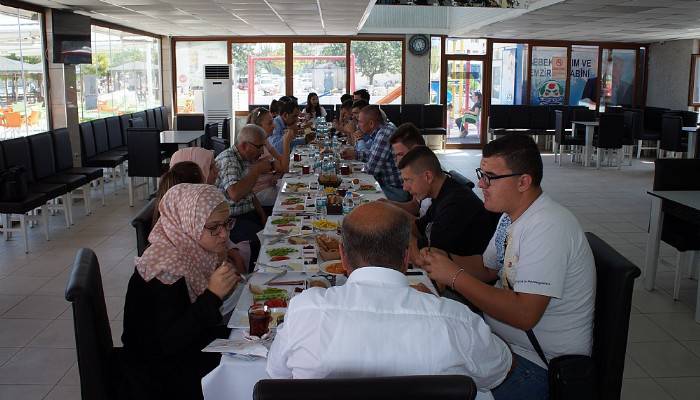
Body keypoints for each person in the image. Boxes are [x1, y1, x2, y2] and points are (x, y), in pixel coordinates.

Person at [266, 202, 512, 399]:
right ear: (406, 258)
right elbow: (499, 370)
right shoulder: (456, 320)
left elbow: (277, 373)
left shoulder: (305, 310)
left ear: (342, 256)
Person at [419, 134, 596, 400]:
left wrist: (454, 276)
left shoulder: (548, 226)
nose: (480, 183)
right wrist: (439, 257)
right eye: (482, 173)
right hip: (502, 344)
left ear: (523, 181)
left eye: (490, 177)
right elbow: (486, 268)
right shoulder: (510, 216)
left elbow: (524, 313)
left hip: (538, 365)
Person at [121, 184, 242, 400]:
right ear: (188, 223)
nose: (224, 234)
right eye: (214, 227)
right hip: (159, 374)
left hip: (181, 350)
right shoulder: (167, 269)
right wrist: (213, 295)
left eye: (227, 224)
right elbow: (171, 340)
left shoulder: (187, 248)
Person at [398, 145, 495, 261]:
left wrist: (397, 229)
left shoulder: (456, 204)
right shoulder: (441, 192)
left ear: (428, 176)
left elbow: (427, 257)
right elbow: (418, 228)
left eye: (408, 180)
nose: (404, 187)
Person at [215, 124, 274, 271]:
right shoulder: (229, 160)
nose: (262, 151)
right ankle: (256, 280)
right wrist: (256, 170)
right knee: (265, 243)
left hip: (247, 214)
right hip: (232, 221)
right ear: (244, 145)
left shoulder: (244, 158)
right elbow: (235, 194)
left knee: (275, 231)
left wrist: (262, 214)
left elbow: (249, 191)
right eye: (259, 147)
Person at [341, 105, 408, 202]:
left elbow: (372, 169)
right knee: (350, 190)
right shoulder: (382, 130)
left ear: (371, 123)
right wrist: (355, 154)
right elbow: (374, 155)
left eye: (360, 122)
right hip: (386, 185)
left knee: (353, 197)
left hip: (395, 191)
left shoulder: (384, 134)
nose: (358, 125)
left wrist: (351, 169)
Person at [248, 107, 294, 209]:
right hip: (260, 193)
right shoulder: (258, 147)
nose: (274, 126)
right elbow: (284, 168)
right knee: (294, 199)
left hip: (270, 185)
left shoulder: (265, 141)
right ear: (258, 127)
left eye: (273, 121)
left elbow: (281, 161)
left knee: (297, 189)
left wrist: (276, 172)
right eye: (270, 123)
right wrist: (286, 143)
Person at [386, 123, 429, 217]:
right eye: (396, 155)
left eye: (400, 155)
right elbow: (415, 206)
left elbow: (423, 228)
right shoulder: (415, 172)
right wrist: (387, 205)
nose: (397, 163)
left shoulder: (426, 175)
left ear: (416, 149)